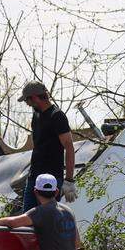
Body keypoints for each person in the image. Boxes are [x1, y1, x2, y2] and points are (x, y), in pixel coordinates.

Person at [18, 81, 76, 211]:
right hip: (34, 177)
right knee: (28, 219)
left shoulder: (57, 116)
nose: (27, 104)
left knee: (46, 219)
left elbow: (69, 147)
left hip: (51, 178)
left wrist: (69, 180)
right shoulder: (36, 114)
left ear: (34, 97)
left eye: (27, 100)